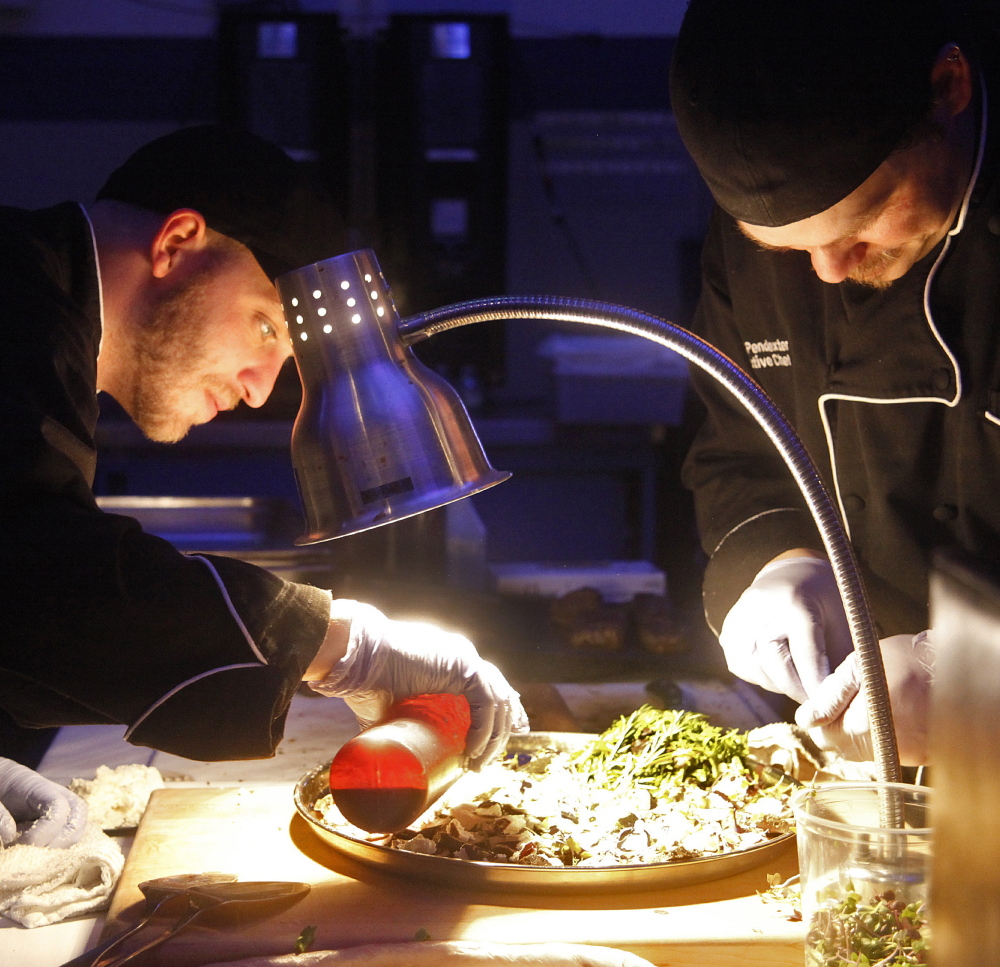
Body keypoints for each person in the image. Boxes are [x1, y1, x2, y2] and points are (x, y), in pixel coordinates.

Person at [0, 124, 526, 773]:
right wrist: (340, 643)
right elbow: (37, 578)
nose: (256, 392)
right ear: (176, 243)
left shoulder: (43, 314)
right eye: (264, 325)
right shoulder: (15, 302)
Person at [668, 0, 998, 765]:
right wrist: (778, 561)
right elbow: (742, 455)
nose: (828, 269)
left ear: (948, 87)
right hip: (869, 771)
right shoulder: (775, 234)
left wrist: (980, 676)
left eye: (866, 218)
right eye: (784, 248)